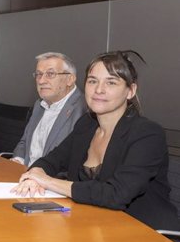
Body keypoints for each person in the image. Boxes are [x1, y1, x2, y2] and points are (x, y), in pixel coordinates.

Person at [12, 51, 180, 232]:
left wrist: (47, 181)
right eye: (92, 81)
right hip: (93, 226)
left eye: (111, 82)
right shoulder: (86, 125)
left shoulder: (147, 134)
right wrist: (35, 174)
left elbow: (115, 195)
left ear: (130, 91)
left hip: (145, 233)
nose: (99, 89)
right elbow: (51, 160)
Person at [11, 52, 87, 166]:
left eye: (50, 74)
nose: (41, 81)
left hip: (53, 179)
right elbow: (25, 142)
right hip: (25, 174)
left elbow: (74, 160)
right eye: (38, 74)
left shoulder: (84, 109)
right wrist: (18, 160)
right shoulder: (39, 104)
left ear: (70, 79)